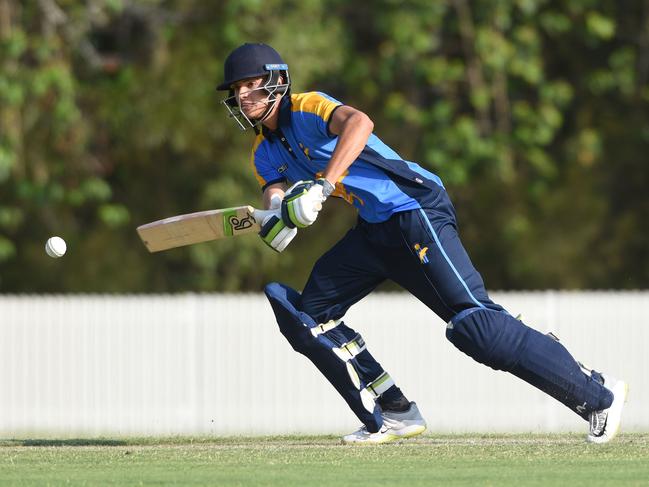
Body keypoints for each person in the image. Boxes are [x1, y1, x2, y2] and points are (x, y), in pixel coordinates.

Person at [216, 42, 628, 444]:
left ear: (278, 82)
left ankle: (598, 395)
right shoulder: (262, 150)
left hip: (414, 209)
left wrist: (322, 186)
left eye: (252, 85)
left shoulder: (308, 105)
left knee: (477, 328)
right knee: (311, 315)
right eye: (237, 90)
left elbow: (360, 123)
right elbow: (273, 192)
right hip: (375, 229)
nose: (244, 96)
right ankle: (395, 411)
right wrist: (278, 213)